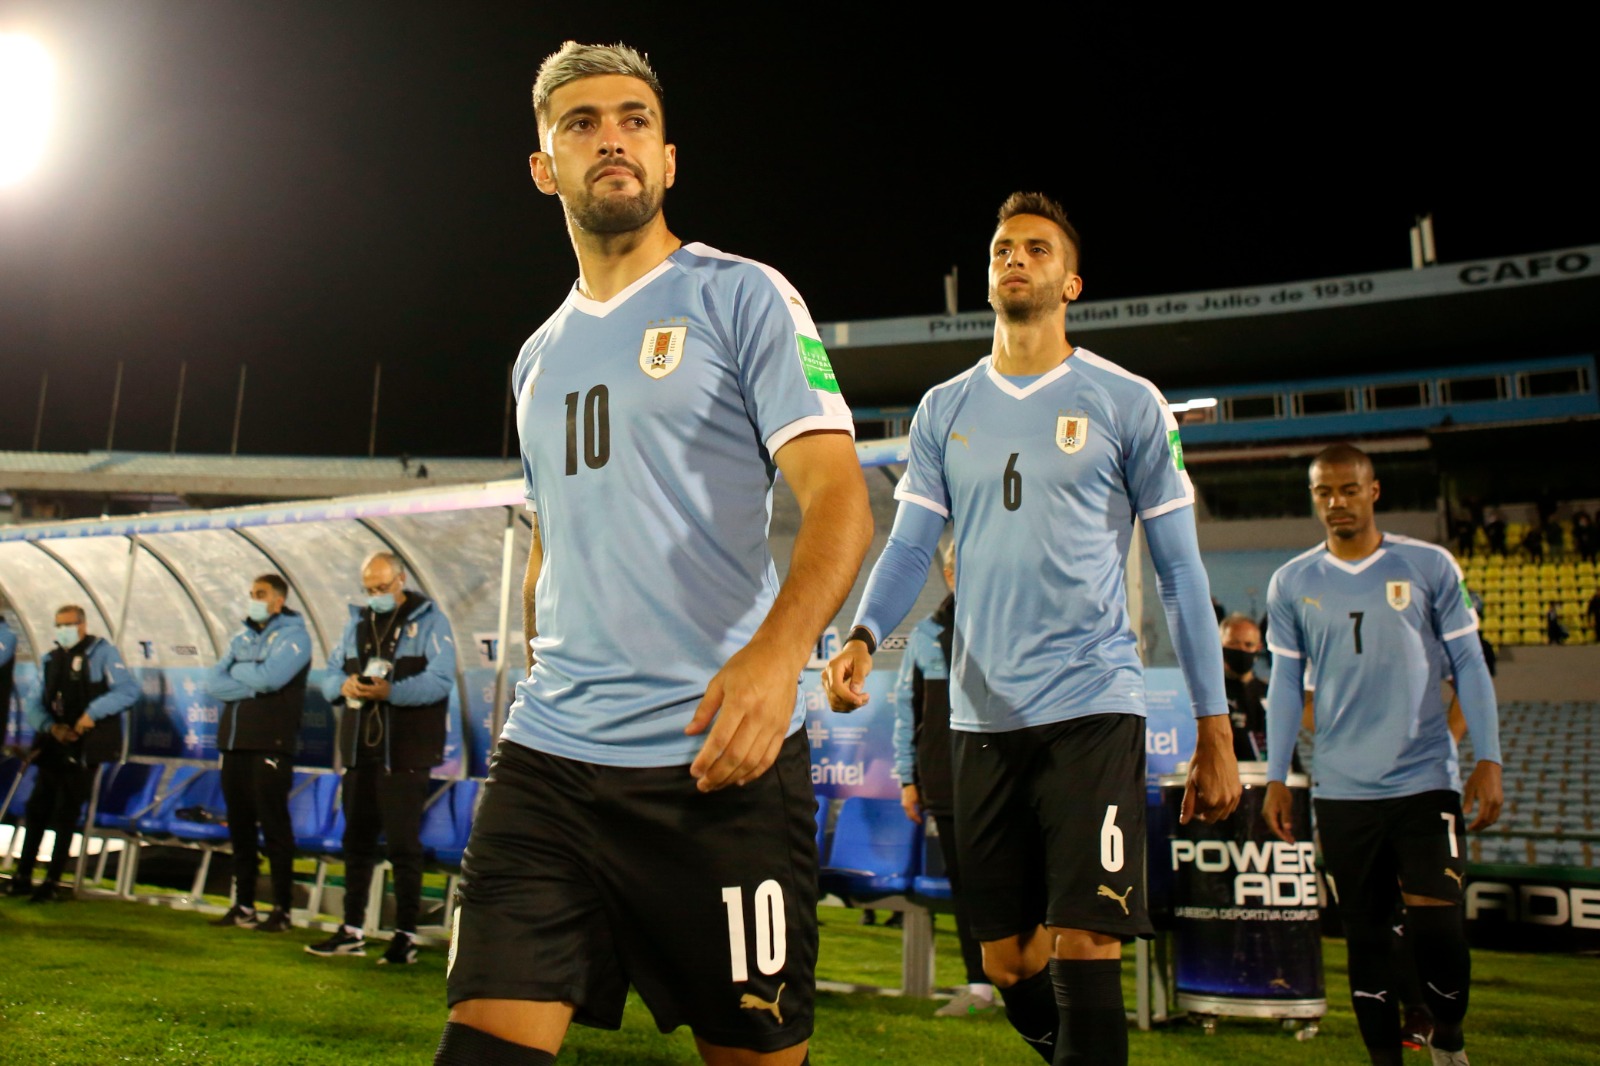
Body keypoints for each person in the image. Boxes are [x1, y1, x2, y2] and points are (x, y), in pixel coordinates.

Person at [436, 42, 871, 1066]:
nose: (611, 139)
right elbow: (551, 543)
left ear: (668, 158)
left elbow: (838, 499)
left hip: (714, 763)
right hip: (548, 762)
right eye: (580, 124)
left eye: (632, 119)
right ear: (546, 168)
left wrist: (775, 661)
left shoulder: (744, 296)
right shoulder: (535, 357)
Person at [825, 192, 1240, 1066]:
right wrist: (864, 634)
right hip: (981, 717)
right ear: (989, 275)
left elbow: (1179, 571)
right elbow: (908, 546)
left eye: (1037, 249)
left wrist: (1214, 724)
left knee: (1086, 938)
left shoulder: (1129, 402)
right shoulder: (944, 408)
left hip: (1093, 703)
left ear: (1070, 281)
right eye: (1004, 247)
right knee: (1009, 961)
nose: (1016, 257)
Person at [1262, 443, 1502, 1066]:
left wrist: (1489, 758)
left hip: (1425, 780)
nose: (1335, 502)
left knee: (1438, 932)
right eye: (1323, 492)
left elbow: (1470, 665)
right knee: (1364, 939)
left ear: (1374, 491)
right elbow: (1285, 685)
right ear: (1314, 498)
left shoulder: (1428, 565)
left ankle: (1448, 1033)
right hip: (1343, 790)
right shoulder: (1292, 581)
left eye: (1347, 489)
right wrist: (1280, 775)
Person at [306, 551, 455, 965]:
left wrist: (391, 692)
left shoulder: (430, 621)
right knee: (356, 841)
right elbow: (329, 676)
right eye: (369, 589)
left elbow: (440, 681)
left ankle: (404, 934)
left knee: (404, 845)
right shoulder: (357, 623)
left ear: (401, 580)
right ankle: (352, 929)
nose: (375, 596)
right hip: (359, 751)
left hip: (404, 752)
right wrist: (345, 686)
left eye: (382, 588)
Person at [891, 537, 993, 1018]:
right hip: (945, 781)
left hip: (1003, 779)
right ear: (949, 575)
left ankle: (1030, 979)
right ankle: (980, 988)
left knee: (1016, 878)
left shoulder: (1007, 626)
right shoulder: (925, 636)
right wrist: (908, 779)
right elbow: (907, 713)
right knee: (967, 884)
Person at [203, 573, 312, 932]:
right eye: (251, 593)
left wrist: (241, 672)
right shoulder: (241, 636)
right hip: (234, 743)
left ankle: (282, 909)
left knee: (274, 826)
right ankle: (244, 904)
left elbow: (271, 679)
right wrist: (252, 680)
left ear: (278, 600)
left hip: (271, 744)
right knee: (240, 828)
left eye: (261, 594)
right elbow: (213, 682)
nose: (254, 599)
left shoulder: (296, 636)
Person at [8, 605, 138, 902]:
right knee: (37, 808)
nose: (62, 630)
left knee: (67, 811)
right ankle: (23, 875)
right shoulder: (52, 659)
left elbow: (127, 691)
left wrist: (90, 715)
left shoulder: (102, 653)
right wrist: (50, 727)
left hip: (86, 746)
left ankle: (53, 880)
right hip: (54, 744)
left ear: (82, 625)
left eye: (67, 624)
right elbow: (33, 701)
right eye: (58, 625)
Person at [1219, 613, 1269, 762]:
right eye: (1233, 643)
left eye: (1248, 645)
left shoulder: (1270, 694)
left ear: (1258, 647)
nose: (1241, 650)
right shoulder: (1212, 695)